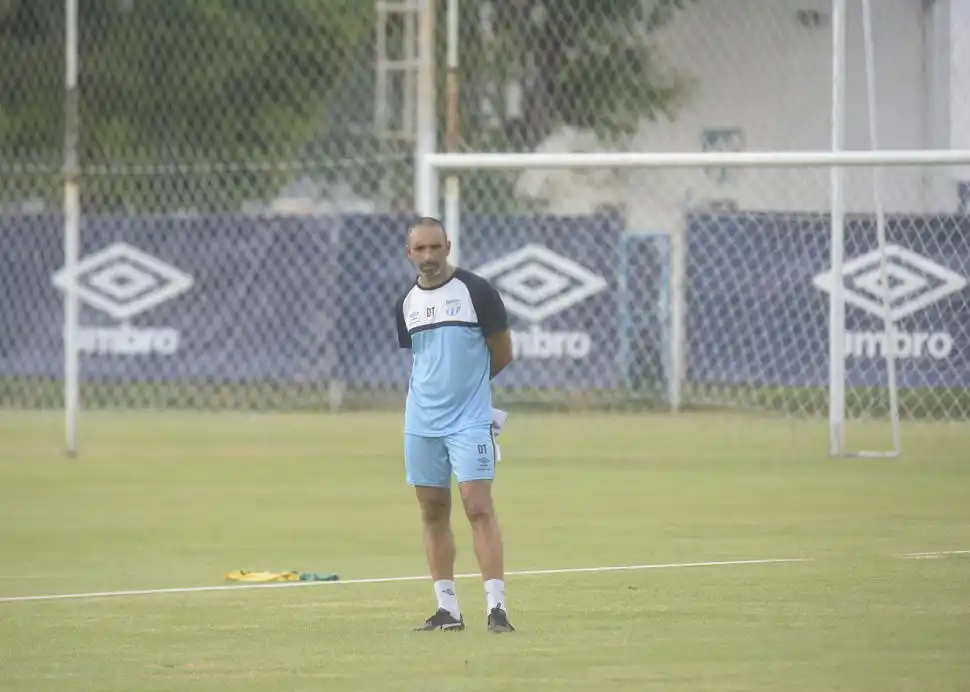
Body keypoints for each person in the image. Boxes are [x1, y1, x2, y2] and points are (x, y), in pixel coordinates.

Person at [394, 216, 516, 633]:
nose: (429, 256)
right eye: (420, 250)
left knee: (477, 506)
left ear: (448, 246)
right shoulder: (406, 304)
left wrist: (472, 396)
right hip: (421, 422)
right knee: (432, 509)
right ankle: (447, 609)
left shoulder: (477, 292)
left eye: (435, 247)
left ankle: (496, 608)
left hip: (469, 421)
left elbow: (502, 354)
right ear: (409, 253)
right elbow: (423, 361)